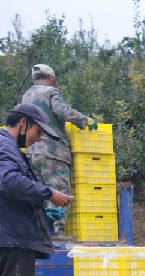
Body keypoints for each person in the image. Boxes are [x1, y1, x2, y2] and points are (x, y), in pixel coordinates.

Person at [0, 104, 72, 276]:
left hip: (12, 235)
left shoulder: (10, 149)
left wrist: (41, 212)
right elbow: (10, 182)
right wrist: (48, 193)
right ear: (23, 124)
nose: (37, 139)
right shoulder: (4, 146)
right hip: (12, 240)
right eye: (36, 132)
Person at [21, 64, 94, 236]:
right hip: (52, 153)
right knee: (59, 193)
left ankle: (41, 233)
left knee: (40, 196)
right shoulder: (50, 92)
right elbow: (63, 112)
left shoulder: (27, 95)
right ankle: (56, 235)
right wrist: (85, 120)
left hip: (32, 154)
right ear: (51, 78)